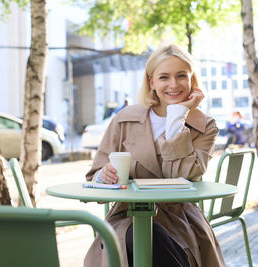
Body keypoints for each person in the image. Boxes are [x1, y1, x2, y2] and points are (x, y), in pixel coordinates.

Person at [84, 44, 225, 267]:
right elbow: (94, 181)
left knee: (154, 237)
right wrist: (104, 175)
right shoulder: (124, 119)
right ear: (151, 82)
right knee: (141, 235)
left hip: (180, 220)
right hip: (126, 217)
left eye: (181, 76)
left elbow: (185, 175)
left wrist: (178, 114)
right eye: (164, 77)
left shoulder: (204, 126)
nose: (173, 84)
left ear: (192, 80)